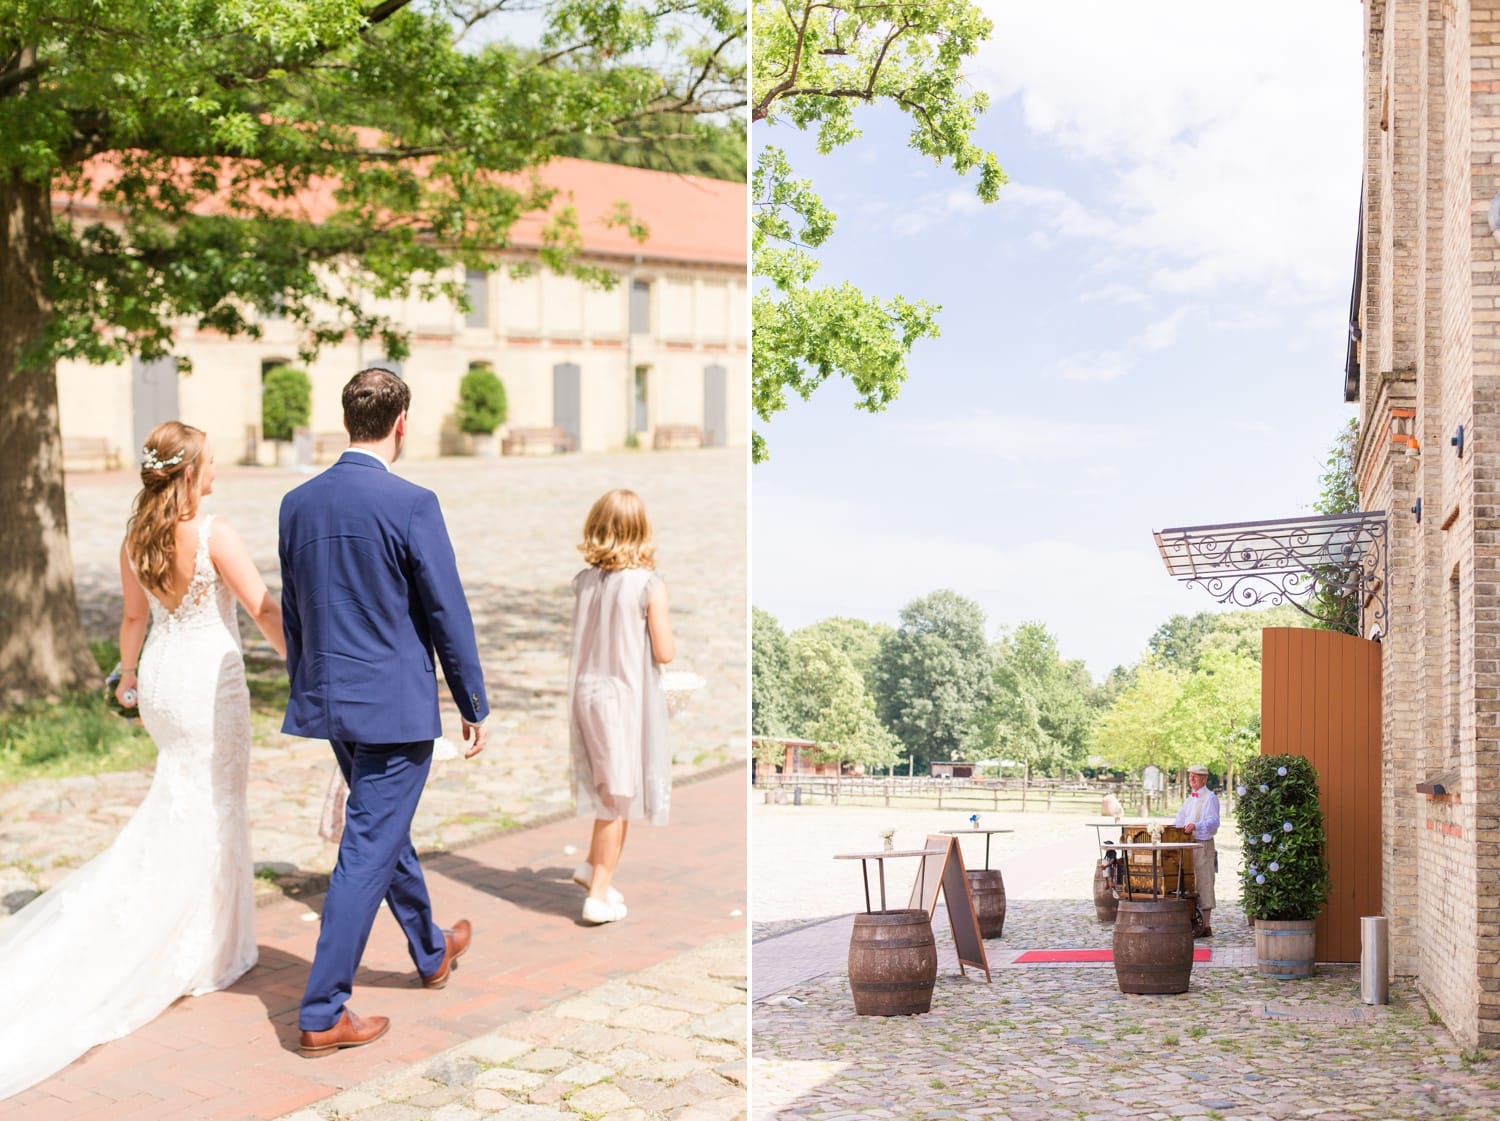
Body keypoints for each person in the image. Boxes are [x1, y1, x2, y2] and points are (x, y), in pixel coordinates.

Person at [0, 421, 286, 1099]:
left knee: (181, 798)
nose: (217, 471)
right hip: (208, 685)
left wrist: (126, 679)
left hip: (160, 680)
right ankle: (210, 945)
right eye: (210, 462)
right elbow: (263, 609)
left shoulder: (136, 538)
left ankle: (196, 927)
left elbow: (132, 621)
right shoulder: (214, 532)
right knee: (215, 804)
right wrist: (306, 663)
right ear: (187, 472)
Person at [280, 367, 490, 1058]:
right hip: (395, 710)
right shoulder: (412, 503)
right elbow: (445, 611)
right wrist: (471, 701)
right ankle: (322, 1009)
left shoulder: (297, 504)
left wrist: (306, 685)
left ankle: (430, 948)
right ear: (402, 422)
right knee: (366, 847)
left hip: (332, 700)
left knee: (379, 827)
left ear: (349, 419)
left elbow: (295, 608)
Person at [567, 489, 676, 925]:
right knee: (618, 798)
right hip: (622, 699)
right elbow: (664, 652)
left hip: (586, 693)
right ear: (641, 530)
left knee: (609, 788)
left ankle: (591, 866)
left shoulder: (584, 581)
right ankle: (598, 894)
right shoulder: (649, 584)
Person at [1174, 763, 1220, 937]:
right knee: (1189, 883)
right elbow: (1180, 818)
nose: (1191, 779)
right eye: (1190, 776)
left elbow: (1214, 822)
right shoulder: (1190, 798)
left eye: (1195, 776)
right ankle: (1193, 920)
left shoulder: (1210, 797)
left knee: (1205, 881)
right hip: (1188, 845)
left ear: (1204, 779)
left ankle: (1206, 925)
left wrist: (1196, 825)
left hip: (1202, 844)